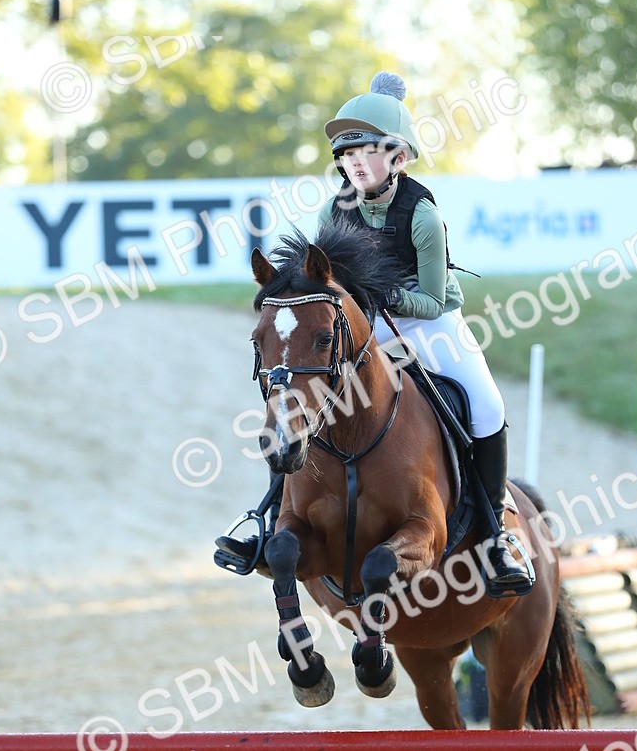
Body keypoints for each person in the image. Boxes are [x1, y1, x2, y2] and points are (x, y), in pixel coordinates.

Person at [215, 71, 532, 597]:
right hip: (364, 327)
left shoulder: (423, 214)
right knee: (306, 397)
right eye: (346, 154)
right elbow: (323, 285)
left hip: (428, 322)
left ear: (399, 158)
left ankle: (498, 533)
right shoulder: (335, 209)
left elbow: (431, 298)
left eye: (366, 151)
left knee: (487, 404)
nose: (354, 163)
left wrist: (385, 298)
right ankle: (266, 520)